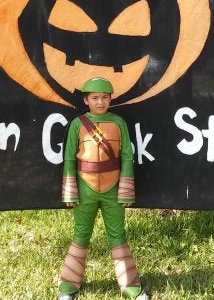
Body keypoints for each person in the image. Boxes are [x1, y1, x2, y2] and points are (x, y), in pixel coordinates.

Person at [58, 77, 149, 300]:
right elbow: (69, 157)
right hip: (84, 189)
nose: (100, 102)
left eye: (105, 98)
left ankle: (130, 286)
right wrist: (70, 189)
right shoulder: (78, 124)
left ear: (110, 99)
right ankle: (68, 285)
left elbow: (127, 155)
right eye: (95, 98)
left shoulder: (119, 123)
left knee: (118, 235)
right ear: (86, 100)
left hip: (113, 189)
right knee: (81, 234)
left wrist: (126, 188)